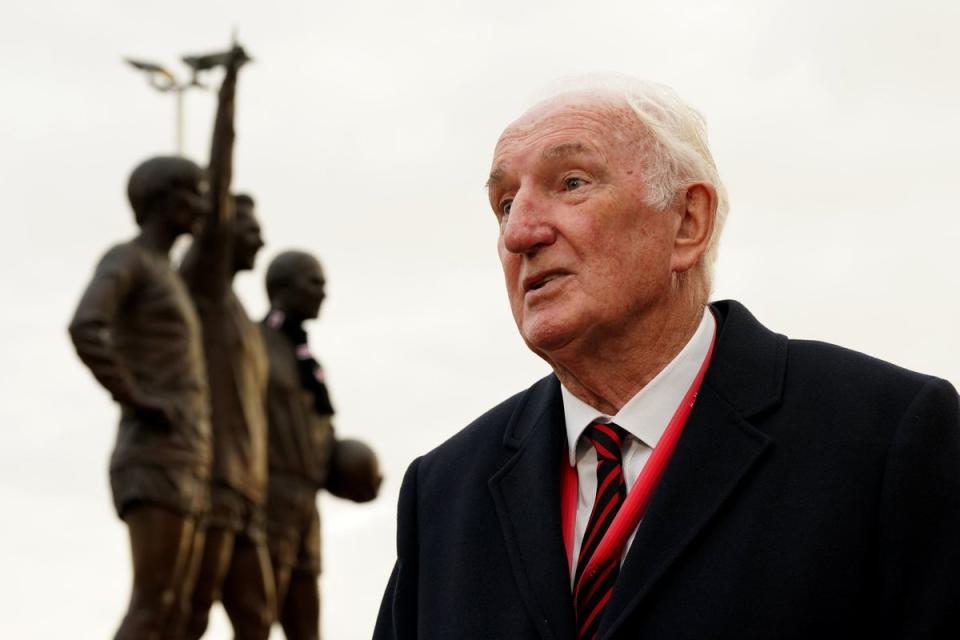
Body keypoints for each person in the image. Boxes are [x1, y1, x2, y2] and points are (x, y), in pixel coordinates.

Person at [374, 78, 960, 639]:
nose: (519, 233)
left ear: (688, 222)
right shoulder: (443, 493)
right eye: (505, 204)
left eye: (571, 182)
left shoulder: (888, 436)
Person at [68, 153, 212, 640]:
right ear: (162, 199)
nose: (202, 205)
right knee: (153, 606)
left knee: (175, 614)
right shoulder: (127, 259)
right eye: (194, 193)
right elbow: (87, 325)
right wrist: (138, 398)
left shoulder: (170, 275)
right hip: (153, 453)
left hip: (186, 455)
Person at [176, 46, 276, 640]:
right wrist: (228, 90)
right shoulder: (205, 289)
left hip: (248, 490)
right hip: (210, 480)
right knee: (186, 613)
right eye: (250, 229)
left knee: (256, 618)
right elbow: (219, 180)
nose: (260, 240)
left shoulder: (243, 315)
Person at [261, 251, 381, 640]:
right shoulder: (253, 343)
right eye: (315, 282)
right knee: (255, 618)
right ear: (283, 287)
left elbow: (317, 433)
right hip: (265, 501)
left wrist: (349, 471)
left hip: (304, 506)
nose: (324, 293)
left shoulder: (305, 358)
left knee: (306, 626)